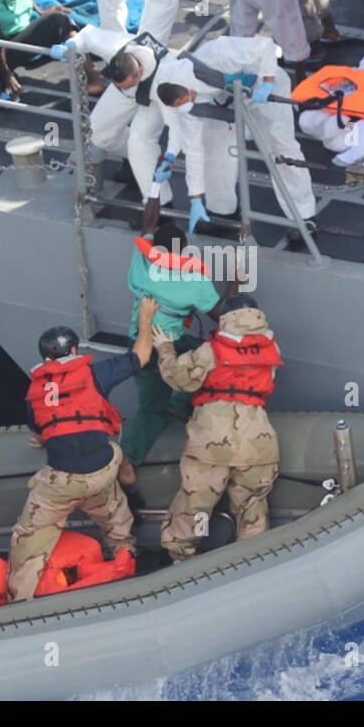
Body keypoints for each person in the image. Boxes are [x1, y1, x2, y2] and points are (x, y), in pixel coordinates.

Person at [7, 295, 160, 601]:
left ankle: (16, 605)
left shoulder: (34, 393)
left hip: (62, 483)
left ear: (45, 358)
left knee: (27, 540)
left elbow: (40, 433)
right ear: (74, 350)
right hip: (102, 472)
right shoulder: (94, 374)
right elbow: (141, 356)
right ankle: (127, 566)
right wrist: (146, 317)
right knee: (118, 522)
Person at [119, 191, 240, 503]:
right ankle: (184, 404)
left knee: (149, 407)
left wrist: (155, 186)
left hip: (140, 341)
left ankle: (129, 460)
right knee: (209, 357)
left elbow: (148, 221)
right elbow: (223, 318)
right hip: (171, 343)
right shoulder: (194, 283)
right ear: (184, 249)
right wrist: (234, 283)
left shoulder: (142, 263)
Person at [152, 292, 282, 560]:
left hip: (212, 443)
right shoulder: (272, 348)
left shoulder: (212, 350)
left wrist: (164, 347)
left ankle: (182, 557)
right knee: (252, 507)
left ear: (225, 318)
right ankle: (251, 561)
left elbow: (179, 378)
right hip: (258, 442)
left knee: (198, 505)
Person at [154, 34, 317, 232]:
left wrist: (267, 82)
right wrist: (195, 197)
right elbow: (194, 150)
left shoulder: (216, 53)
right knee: (215, 151)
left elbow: (266, 46)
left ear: (189, 88)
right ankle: (221, 210)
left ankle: (303, 215)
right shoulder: (186, 105)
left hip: (262, 88)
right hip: (224, 103)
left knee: (280, 148)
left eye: (187, 100)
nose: (187, 105)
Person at [64, 23, 176, 206]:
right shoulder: (117, 47)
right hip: (126, 88)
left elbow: (176, 125)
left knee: (140, 142)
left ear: (139, 72)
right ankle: (138, 162)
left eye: (128, 84)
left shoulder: (168, 77)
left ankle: (160, 206)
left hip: (156, 97)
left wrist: (170, 154)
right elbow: (86, 36)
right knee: (97, 132)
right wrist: (70, 46)